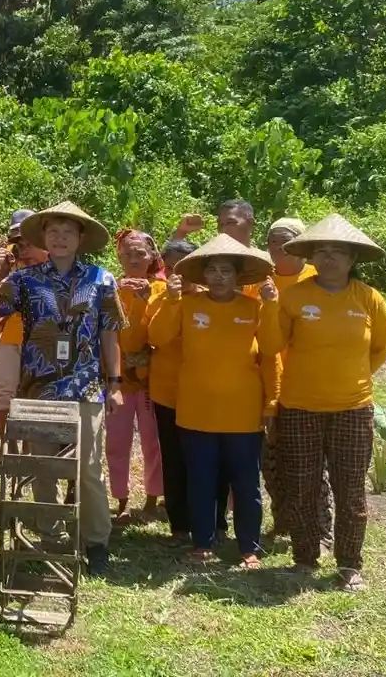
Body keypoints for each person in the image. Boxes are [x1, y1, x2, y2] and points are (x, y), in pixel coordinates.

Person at [0, 200, 124, 575]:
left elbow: (110, 335)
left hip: (86, 387)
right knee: (42, 466)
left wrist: (115, 382)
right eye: (53, 232)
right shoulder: (24, 280)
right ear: (43, 237)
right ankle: (50, 536)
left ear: (81, 238)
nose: (60, 239)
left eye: (68, 232)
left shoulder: (101, 279)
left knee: (90, 469)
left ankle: (96, 543)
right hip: (38, 389)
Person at [149, 235, 282, 567]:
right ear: (203, 275)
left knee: (246, 484)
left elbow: (271, 349)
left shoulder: (254, 307)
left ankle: (248, 547)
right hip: (195, 411)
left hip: (243, 413)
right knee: (201, 480)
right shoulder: (188, 304)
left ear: (239, 277)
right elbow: (158, 338)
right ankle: (202, 543)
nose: (219, 276)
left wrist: (273, 306)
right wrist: (171, 300)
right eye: (213, 270)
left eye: (226, 270)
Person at [277, 214, 386, 592]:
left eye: (338, 252)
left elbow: (379, 351)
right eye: (321, 251)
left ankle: (349, 564)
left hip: (352, 408)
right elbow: (275, 344)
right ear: (311, 257)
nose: (329, 258)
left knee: (350, 489)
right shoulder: (293, 296)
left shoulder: (370, 299)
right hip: (298, 406)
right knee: (302, 486)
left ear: (352, 259)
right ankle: (305, 559)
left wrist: (349, 379)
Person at [261, 216, 331, 541]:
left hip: (307, 386)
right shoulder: (259, 281)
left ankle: (321, 526)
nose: (278, 246)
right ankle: (284, 520)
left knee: (312, 463)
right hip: (267, 385)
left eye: (286, 239)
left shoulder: (317, 280)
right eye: (273, 239)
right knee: (272, 462)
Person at [141, 238, 201, 543]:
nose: (180, 273)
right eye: (173, 267)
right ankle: (179, 527)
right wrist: (174, 301)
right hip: (167, 392)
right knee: (174, 459)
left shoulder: (208, 298)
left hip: (203, 393)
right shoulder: (160, 298)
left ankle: (209, 525)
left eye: (186, 266)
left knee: (202, 460)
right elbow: (157, 337)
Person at [108, 229, 165, 522]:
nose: (134, 258)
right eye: (128, 253)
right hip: (118, 376)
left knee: (152, 440)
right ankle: (121, 500)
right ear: (119, 255)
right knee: (116, 442)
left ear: (153, 256)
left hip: (151, 379)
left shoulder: (163, 290)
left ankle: (154, 500)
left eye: (140, 253)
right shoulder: (110, 288)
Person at [0, 210, 46, 457]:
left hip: (42, 342)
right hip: (11, 336)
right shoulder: (13, 271)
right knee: (5, 395)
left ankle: (31, 447)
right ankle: (6, 443)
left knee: (35, 397)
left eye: (28, 242)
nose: (23, 248)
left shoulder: (56, 271)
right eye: (19, 243)